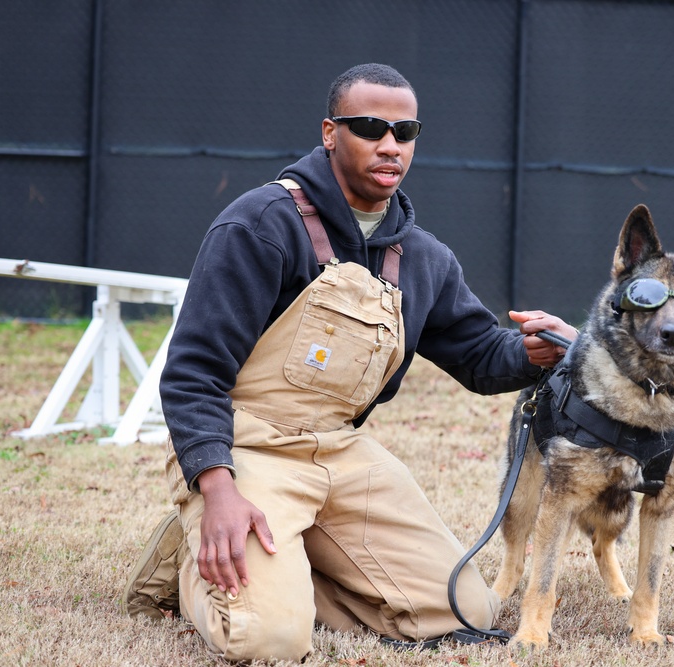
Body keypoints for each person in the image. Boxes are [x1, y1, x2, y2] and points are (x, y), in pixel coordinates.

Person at [122, 63, 576, 663]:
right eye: (370, 127)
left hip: (339, 450)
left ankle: (284, 568)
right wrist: (217, 485)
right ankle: (197, 560)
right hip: (249, 450)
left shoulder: (423, 257)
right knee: (267, 640)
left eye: (405, 131)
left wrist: (535, 351)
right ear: (331, 132)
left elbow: (479, 355)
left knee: (467, 608)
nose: (390, 144)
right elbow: (193, 372)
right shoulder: (260, 225)